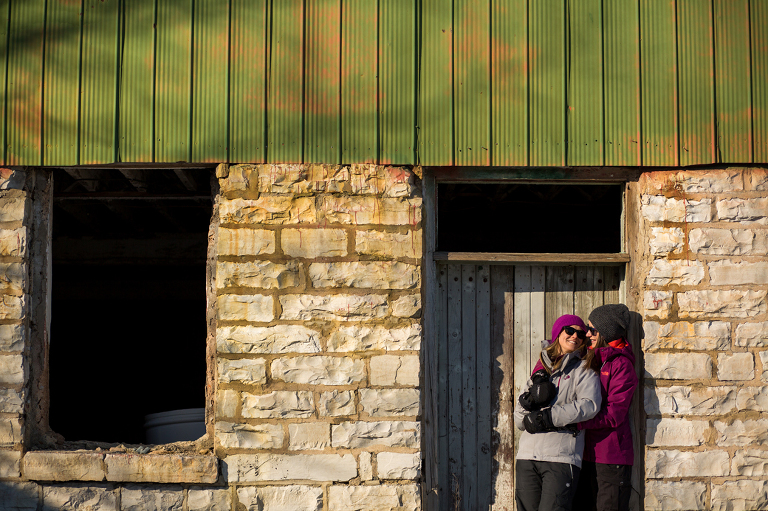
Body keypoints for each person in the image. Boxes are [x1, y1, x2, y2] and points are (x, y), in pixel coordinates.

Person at [514, 314, 602, 511]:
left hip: (561, 457)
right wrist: (526, 403)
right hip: (527, 455)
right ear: (558, 334)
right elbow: (519, 421)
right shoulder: (540, 370)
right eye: (569, 331)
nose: (575, 336)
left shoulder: (584, 369)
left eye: (581, 334)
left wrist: (548, 417)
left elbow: (589, 405)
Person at [572, 304, 638, 511]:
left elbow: (614, 414)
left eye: (592, 330)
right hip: (584, 453)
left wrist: (578, 421)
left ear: (606, 332)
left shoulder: (621, 365)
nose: (587, 334)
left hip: (610, 456)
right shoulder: (588, 358)